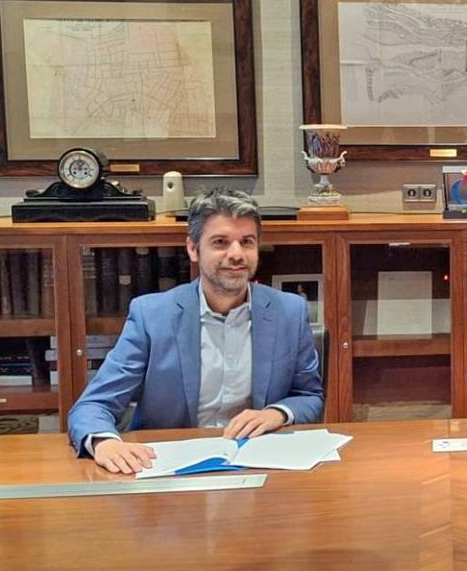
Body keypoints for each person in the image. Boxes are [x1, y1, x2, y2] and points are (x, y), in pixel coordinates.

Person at [68, 188, 324, 474]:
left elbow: (309, 395)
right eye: (220, 242)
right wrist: (104, 442)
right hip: (167, 469)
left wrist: (277, 413)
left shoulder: (289, 311)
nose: (236, 254)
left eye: (247, 242)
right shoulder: (152, 316)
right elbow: (93, 406)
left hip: (257, 466)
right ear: (193, 249)